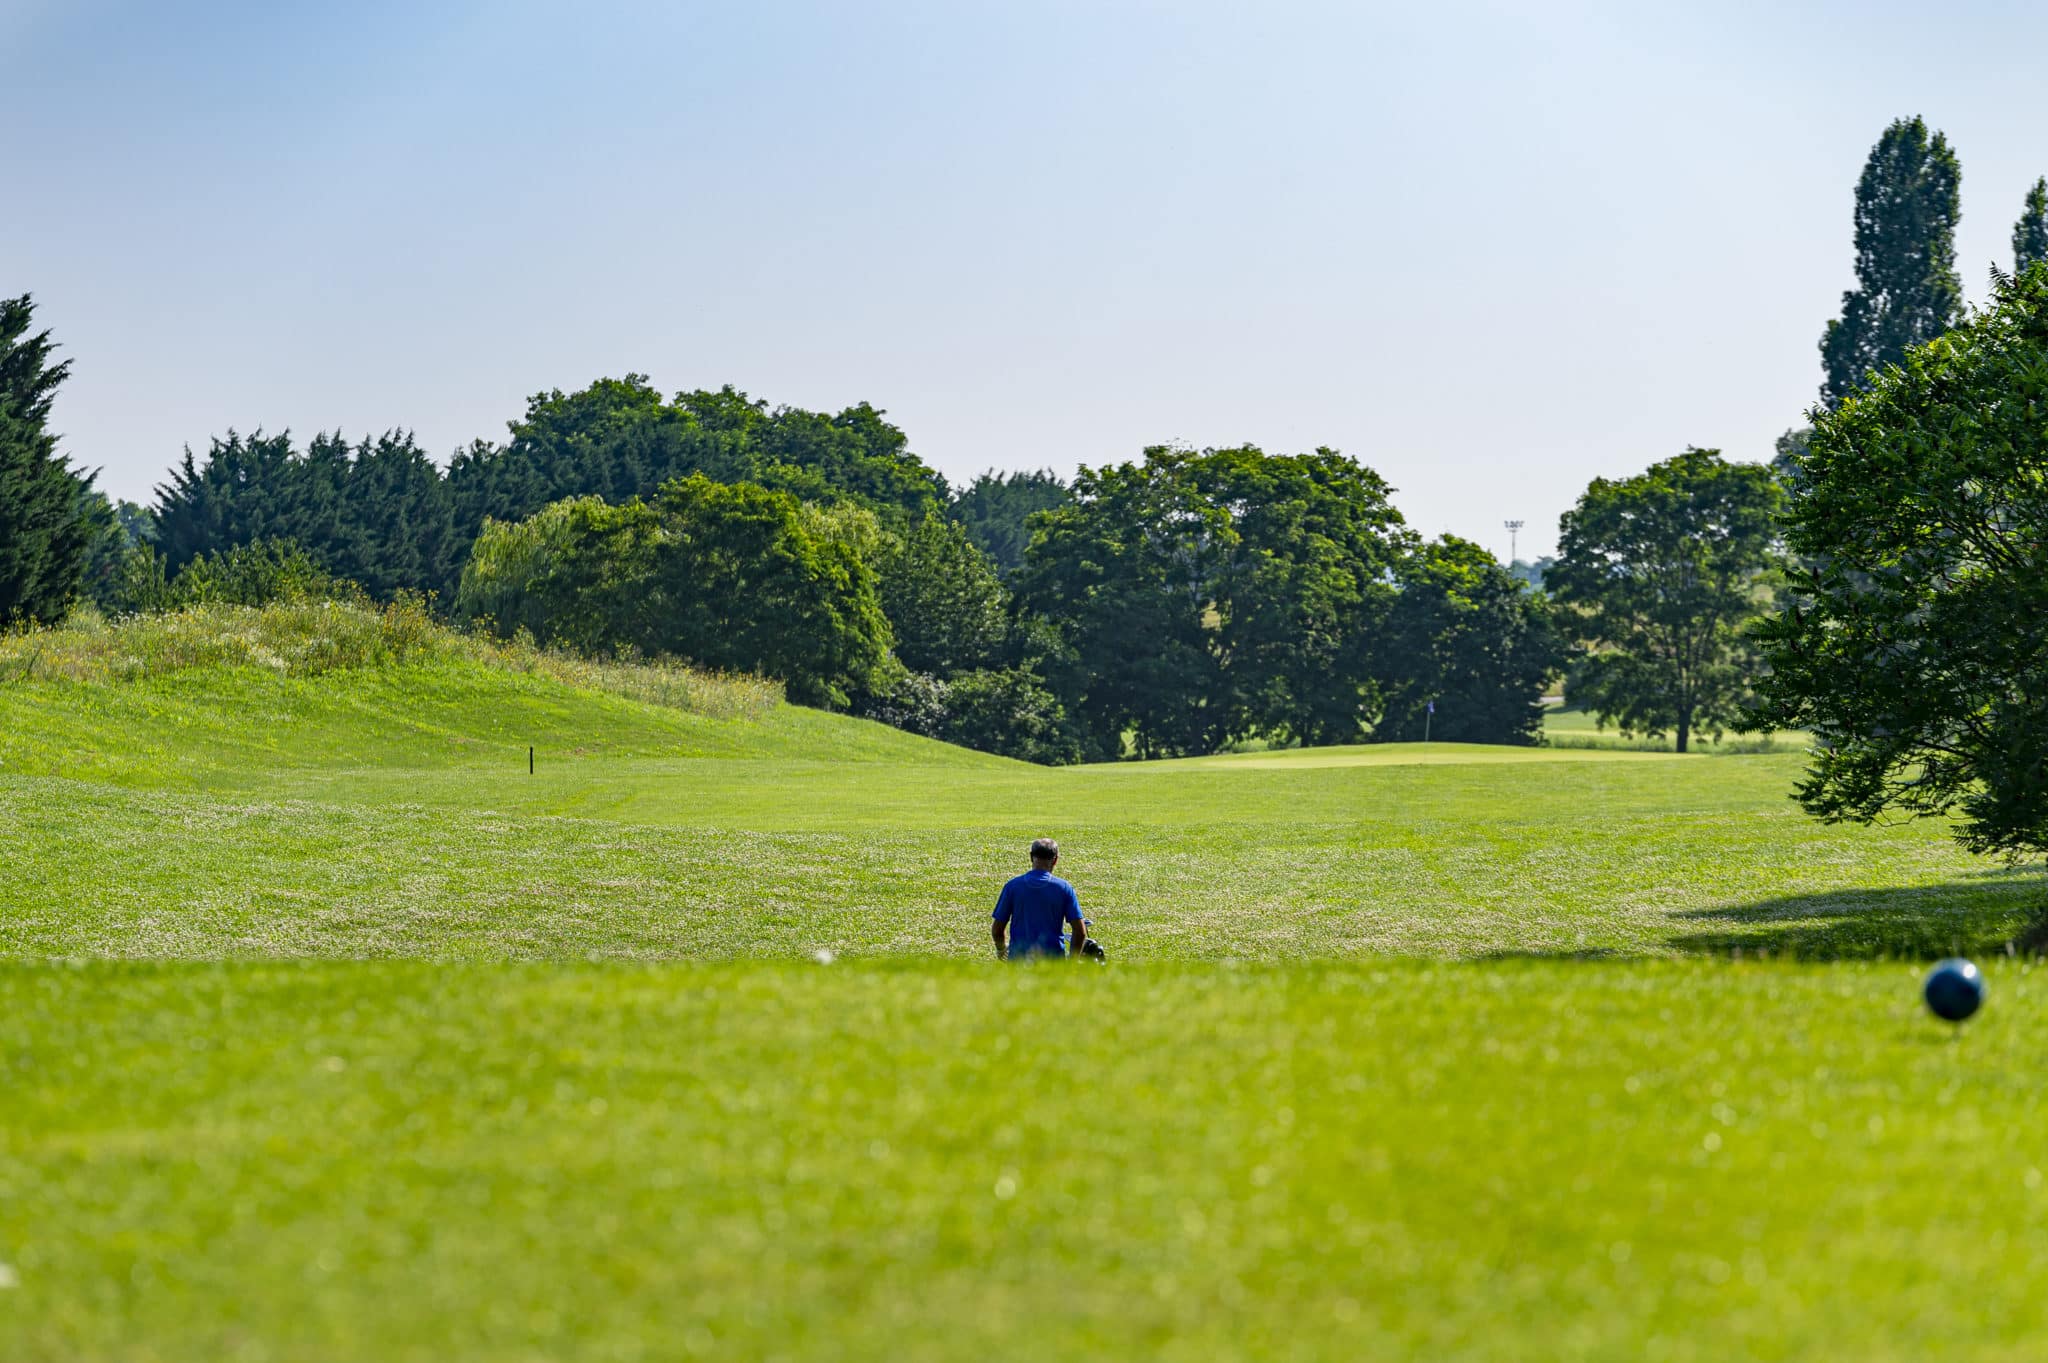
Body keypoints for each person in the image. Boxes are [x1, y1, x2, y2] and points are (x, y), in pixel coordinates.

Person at [992, 837, 1086, 961]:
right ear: (1055, 860)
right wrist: (1072, 963)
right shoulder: (1064, 888)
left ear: (1031, 857)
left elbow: (997, 929)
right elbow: (1080, 932)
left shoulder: (1013, 886)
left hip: (1019, 960)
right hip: (1053, 963)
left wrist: (1001, 949)